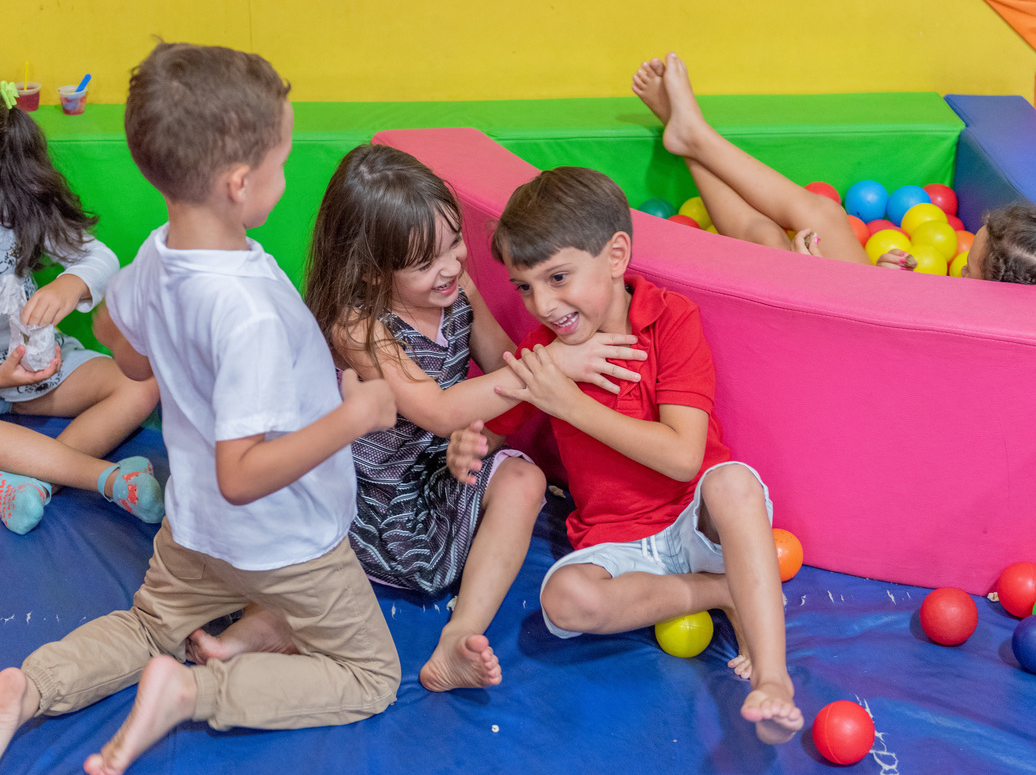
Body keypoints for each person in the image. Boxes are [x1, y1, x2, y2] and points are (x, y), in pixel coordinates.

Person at [0, 42, 401, 775]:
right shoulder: (246, 311)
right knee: (370, 676)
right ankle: (195, 691)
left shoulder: (157, 255)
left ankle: (27, 687)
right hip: (285, 540)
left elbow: (121, 344)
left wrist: (145, 345)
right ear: (240, 183)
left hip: (195, 530)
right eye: (281, 163)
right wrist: (356, 416)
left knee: (147, 624)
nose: (285, 176)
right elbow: (241, 474)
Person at [184, 143, 647, 693]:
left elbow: (505, 366)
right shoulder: (357, 326)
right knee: (315, 583)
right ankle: (246, 637)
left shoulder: (460, 290)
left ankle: (459, 636)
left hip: (433, 476)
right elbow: (438, 410)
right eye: (426, 264)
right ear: (372, 272)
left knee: (525, 479)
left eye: (454, 244)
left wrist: (558, 357)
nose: (450, 267)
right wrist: (554, 366)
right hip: (356, 497)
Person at [477, 166, 805, 744]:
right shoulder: (545, 352)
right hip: (618, 544)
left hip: (695, 519)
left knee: (733, 484)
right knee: (563, 603)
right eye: (525, 287)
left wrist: (570, 404)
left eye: (558, 277)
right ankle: (724, 591)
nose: (543, 304)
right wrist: (471, 441)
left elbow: (684, 458)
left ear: (615, 256)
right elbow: (495, 426)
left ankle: (774, 680)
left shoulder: (669, 319)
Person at [631, 54, 1036, 286]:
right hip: (875, 302)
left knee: (769, 243)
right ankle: (693, 136)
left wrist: (815, 281)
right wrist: (890, 282)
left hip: (845, 332)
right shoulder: (979, 303)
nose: (958, 268)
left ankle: (690, 140)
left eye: (968, 267)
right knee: (824, 213)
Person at [0, 80, 163, 534]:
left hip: (36, 372)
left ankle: (32, 484)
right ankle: (105, 479)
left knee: (143, 382)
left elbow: (100, 258)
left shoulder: (16, 205)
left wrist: (69, 286)